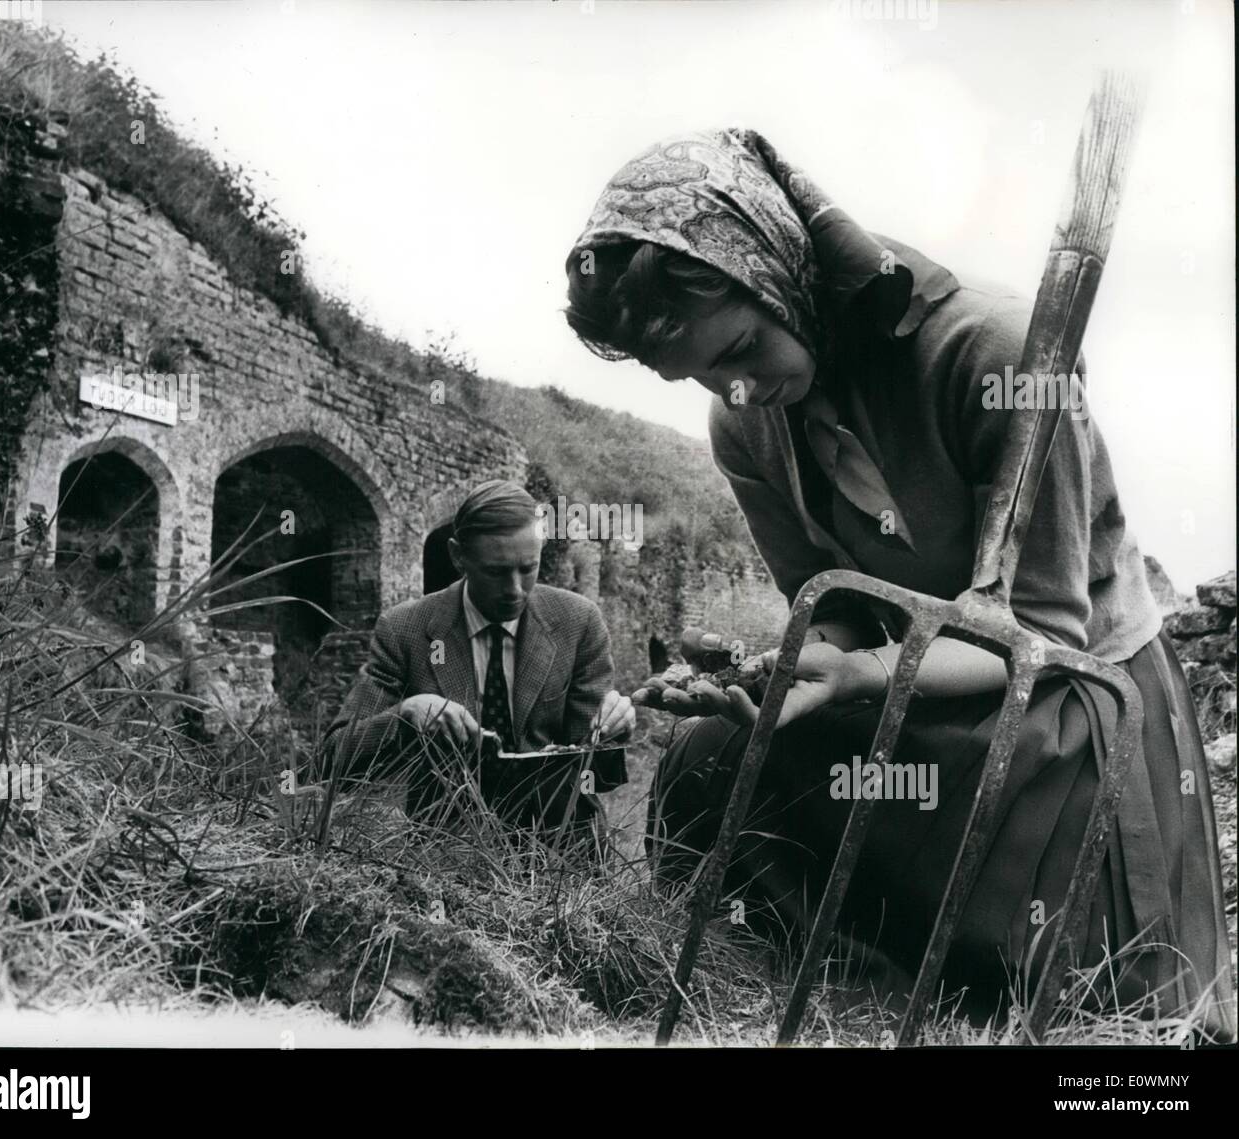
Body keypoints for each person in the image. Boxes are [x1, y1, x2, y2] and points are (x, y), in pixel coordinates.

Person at [562, 126, 1235, 1039]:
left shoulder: (997, 356)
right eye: (705, 379)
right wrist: (779, 672)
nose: (741, 392)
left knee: (1094, 1015)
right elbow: (837, 609)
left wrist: (871, 674)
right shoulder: (744, 426)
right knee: (714, 759)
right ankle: (832, 999)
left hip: (1070, 695)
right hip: (917, 670)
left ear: (781, 274)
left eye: (742, 349)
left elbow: (1043, 626)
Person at [320, 479, 634, 840]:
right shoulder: (405, 629)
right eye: (496, 572)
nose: (515, 590)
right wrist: (405, 715)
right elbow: (334, 761)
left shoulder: (578, 621)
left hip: (564, 851)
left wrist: (613, 731)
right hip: (447, 858)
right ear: (458, 556)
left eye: (528, 568)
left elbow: (598, 775)